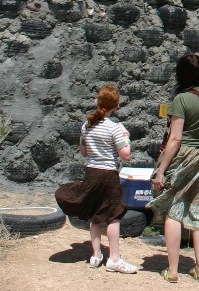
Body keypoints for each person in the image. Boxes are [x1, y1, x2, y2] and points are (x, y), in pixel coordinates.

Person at [148, 54, 199, 283]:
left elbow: (175, 139)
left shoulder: (181, 99)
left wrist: (161, 170)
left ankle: (173, 270)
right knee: (197, 207)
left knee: (174, 210)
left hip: (184, 155)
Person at [55, 85, 138, 274]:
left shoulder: (86, 126)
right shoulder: (114, 128)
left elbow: (84, 152)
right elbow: (125, 155)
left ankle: (96, 255)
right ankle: (114, 259)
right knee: (113, 216)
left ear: (97, 102)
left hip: (91, 173)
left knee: (95, 214)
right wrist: (126, 137)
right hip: (108, 174)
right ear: (116, 106)